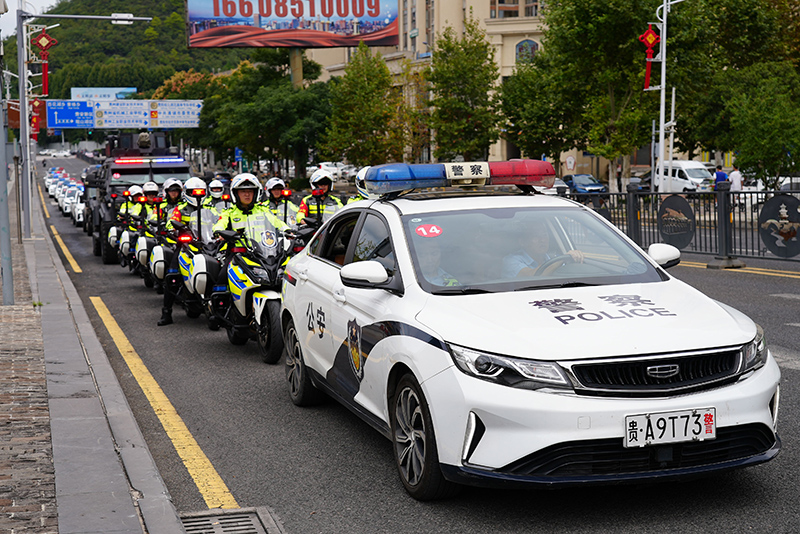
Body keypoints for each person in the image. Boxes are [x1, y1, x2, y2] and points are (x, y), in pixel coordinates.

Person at [501, 224, 584, 278]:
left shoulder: (554, 258)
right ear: (522, 242)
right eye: (535, 236)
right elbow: (532, 276)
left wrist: (575, 256)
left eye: (544, 235)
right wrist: (562, 259)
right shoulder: (511, 261)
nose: (542, 240)